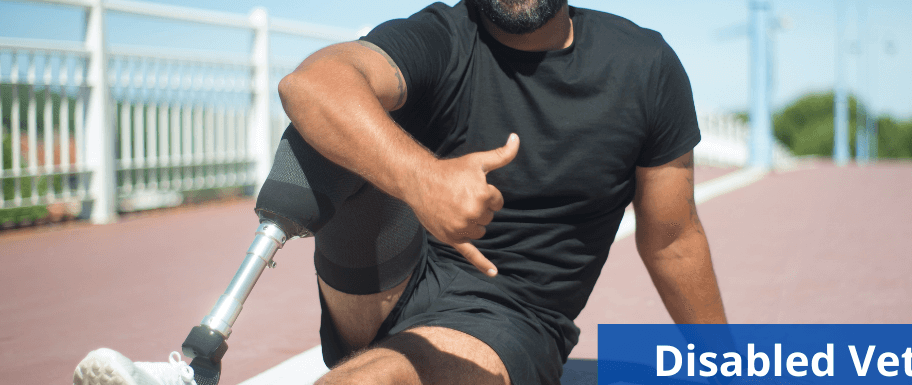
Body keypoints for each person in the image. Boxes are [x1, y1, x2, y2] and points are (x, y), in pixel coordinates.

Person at [74, 0, 726, 384]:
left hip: (511, 313)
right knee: (321, 131)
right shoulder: (445, 34)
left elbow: (671, 236)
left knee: (389, 375)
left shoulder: (643, 67)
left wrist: (725, 364)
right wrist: (424, 181)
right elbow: (312, 85)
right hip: (387, 277)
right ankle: (194, 360)